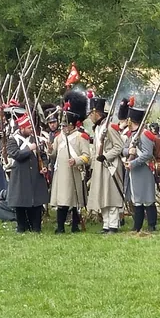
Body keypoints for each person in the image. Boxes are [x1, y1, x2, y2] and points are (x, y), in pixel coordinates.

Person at [48, 90, 91, 233]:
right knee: (62, 202)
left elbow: (86, 156)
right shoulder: (59, 137)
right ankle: (60, 227)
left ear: (72, 125)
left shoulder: (81, 137)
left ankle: (75, 226)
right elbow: (53, 154)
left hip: (74, 172)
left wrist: (76, 160)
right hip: (61, 174)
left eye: (66, 125)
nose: (63, 127)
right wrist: (49, 149)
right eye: (63, 125)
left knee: (74, 201)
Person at [87, 96, 126, 234]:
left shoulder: (109, 127)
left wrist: (106, 156)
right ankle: (106, 224)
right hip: (99, 165)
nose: (90, 117)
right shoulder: (98, 129)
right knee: (101, 195)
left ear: (97, 113)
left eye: (92, 114)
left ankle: (113, 225)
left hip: (111, 165)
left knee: (112, 195)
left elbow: (119, 146)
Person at [6, 113, 49, 233]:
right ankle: (22, 227)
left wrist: (44, 166)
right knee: (20, 203)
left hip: (35, 174)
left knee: (36, 203)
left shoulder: (35, 138)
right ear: (22, 128)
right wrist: (29, 149)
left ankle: (36, 227)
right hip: (20, 175)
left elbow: (43, 155)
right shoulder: (12, 140)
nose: (31, 130)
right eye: (29, 128)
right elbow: (15, 154)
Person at [123, 103, 158, 232]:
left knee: (148, 198)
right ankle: (137, 226)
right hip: (134, 170)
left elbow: (147, 154)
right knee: (136, 199)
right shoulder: (132, 134)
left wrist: (133, 163)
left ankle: (152, 225)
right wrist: (129, 153)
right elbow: (124, 149)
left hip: (144, 170)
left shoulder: (144, 134)